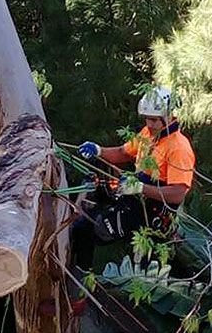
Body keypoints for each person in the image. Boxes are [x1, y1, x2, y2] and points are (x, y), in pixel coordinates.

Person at [72, 86, 195, 270]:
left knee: (86, 230)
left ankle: (79, 287)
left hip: (152, 211)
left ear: (168, 116)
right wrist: (99, 150)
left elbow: (178, 193)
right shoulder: (148, 134)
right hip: (134, 196)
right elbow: (124, 152)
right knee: (91, 188)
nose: (149, 124)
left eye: (154, 119)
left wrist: (140, 188)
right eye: (147, 119)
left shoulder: (178, 147)